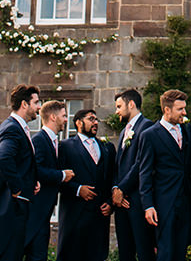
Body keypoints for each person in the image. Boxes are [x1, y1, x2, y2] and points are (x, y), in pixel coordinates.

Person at [0, 85, 41, 261]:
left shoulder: (15, 127)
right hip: (8, 207)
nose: (39, 107)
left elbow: (18, 161)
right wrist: (18, 188)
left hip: (12, 206)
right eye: (36, 102)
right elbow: (3, 158)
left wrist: (31, 181)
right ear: (24, 104)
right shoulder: (12, 128)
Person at [139, 89, 191, 261]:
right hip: (163, 204)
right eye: (180, 109)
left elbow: (190, 163)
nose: (184, 113)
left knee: (181, 251)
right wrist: (148, 205)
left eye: (184, 108)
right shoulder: (149, 135)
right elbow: (145, 173)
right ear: (167, 110)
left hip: (185, 202)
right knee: (165, 253)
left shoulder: (186, 130)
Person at [58, 108, 116, 261]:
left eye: (96, 119)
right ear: (78, 122)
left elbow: (112, 178)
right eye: (91, 119)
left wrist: (111, 203)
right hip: (74, 216)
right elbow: (58, 179)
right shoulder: (65, 146)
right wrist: (78, 189)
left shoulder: (107, 148)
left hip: (99, 218)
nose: (95, 122)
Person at [27, 101, 77, 261]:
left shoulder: (55, 142)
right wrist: (62, 175)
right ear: (53, 117)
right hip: (37, 210)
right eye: (64, 116)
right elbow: (37, 170)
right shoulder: (39, 140)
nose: (66, 120)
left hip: (45, 210)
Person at [114, 88, 157, 261]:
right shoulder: (125, 131)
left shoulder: (147, 127)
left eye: (119, 106)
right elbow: (119, 165)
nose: (116, 111)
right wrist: (115, 188)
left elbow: (141, 163)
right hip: (122, 202)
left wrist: (122, 188)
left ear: (131, 104)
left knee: (144, 250)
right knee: (125, 252)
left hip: (138, 201)